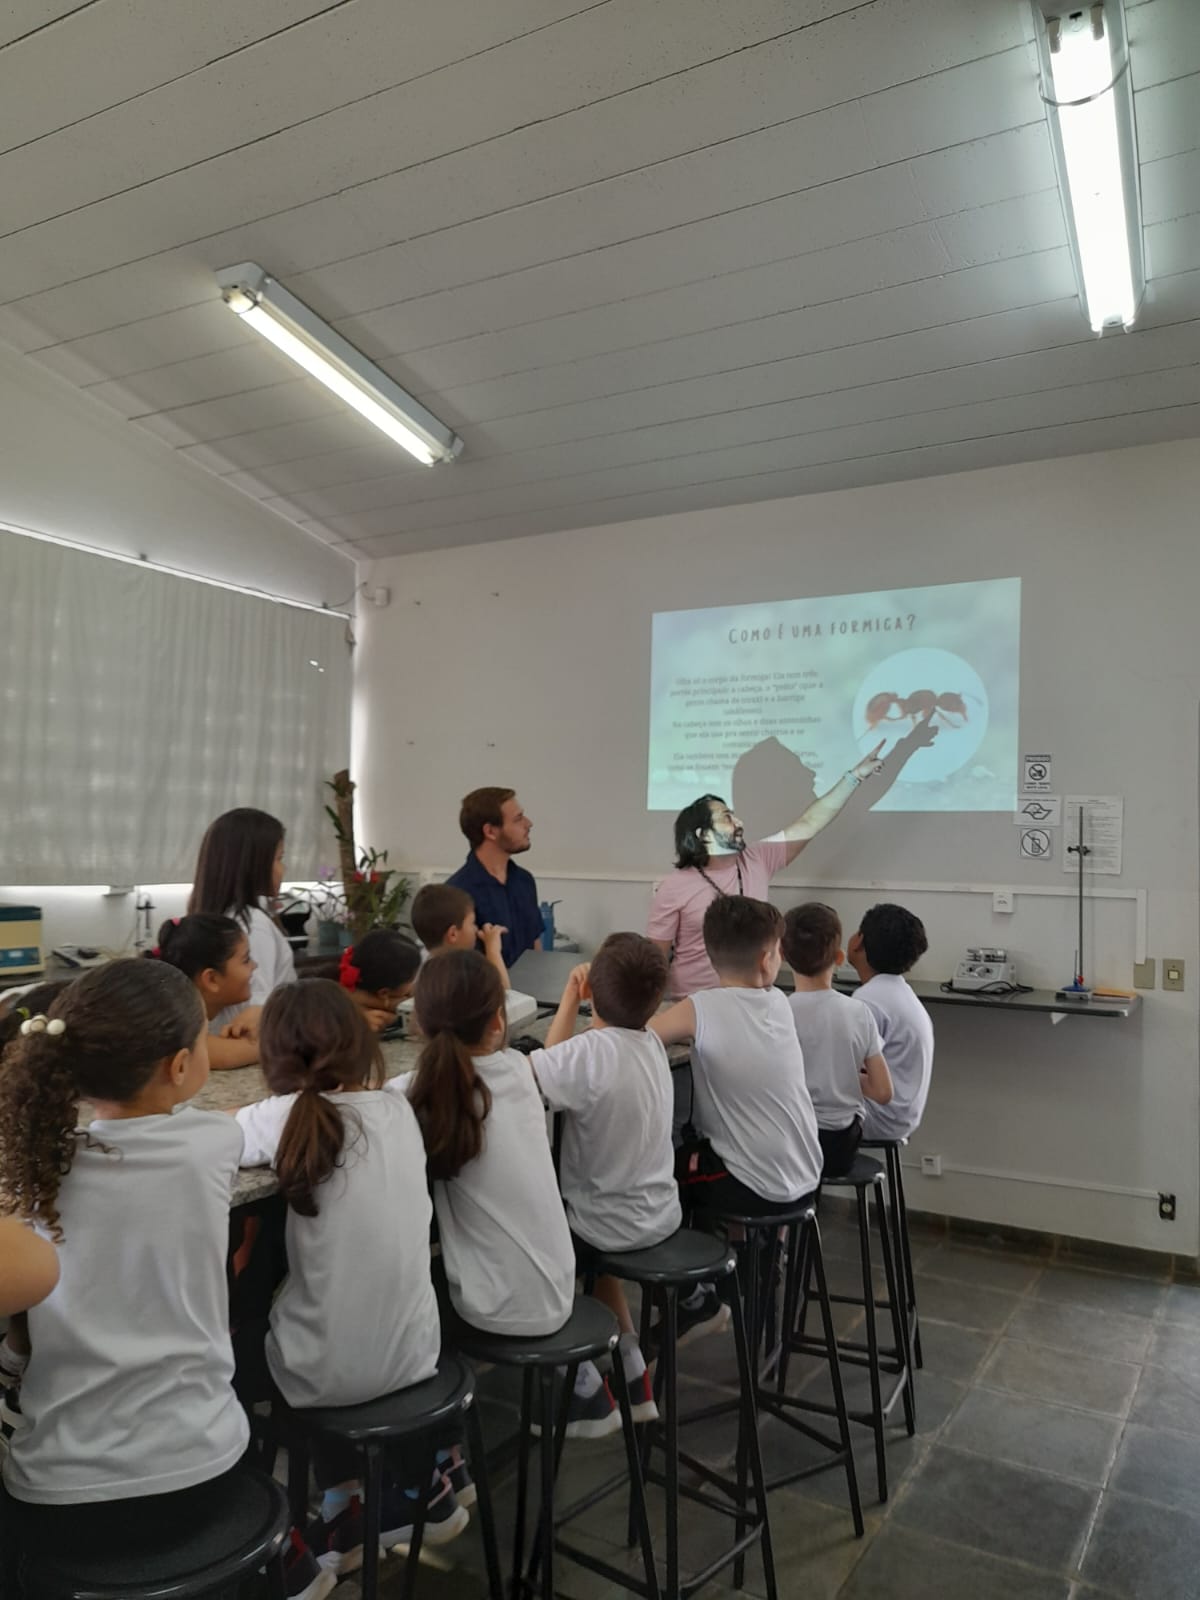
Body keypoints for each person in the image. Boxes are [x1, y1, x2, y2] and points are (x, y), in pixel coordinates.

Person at [0, 961, 328, 1599]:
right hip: (210, 1470)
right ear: (181, 1068)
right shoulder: (208, 1142)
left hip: (68, 1499)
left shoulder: (33, 1166)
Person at [236, 981, 461, 1570]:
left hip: (321, 1378)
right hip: (419, 1358)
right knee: (338, 1292)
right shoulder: (396, 1109)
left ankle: (266, 1540)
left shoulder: (282, 1116)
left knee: (238, 1332)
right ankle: (355, 1498)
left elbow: (224, 1140)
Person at [408, 952, 617, 1439]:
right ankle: (576, 1379)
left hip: (497, 1307)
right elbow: (553, 1056)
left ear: (418, 1022)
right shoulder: (523, 1072)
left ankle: (439, 1449)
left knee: (405, 1284)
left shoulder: (414, 1095)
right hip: (560, 1286)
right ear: (499, 1020)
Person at [530, 934, 678, 1423]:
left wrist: (571, 998)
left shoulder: (590, 1051)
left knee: (538, 1243)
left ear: (593, 990)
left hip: (603, 1224)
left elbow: (539, 1077)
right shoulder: (652, 1041)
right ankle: (632, 1368)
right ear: (656, 1000)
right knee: (599, 1238)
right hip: (657, 1215)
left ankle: (585, 1385)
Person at [647, 744, 911, 999]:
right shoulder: (674, 887)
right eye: (727, 817)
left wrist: (853, 778)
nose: (739, 822)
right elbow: (656, 957)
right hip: (692, 1004)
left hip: (753, 1000)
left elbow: (810, 822)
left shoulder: (759, 858)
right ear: (702, 834)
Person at [653, 896, 823, 1219]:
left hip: (752, 1187)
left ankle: (717, 1261)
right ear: (765, 960)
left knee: (668, 1165)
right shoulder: (779, 1003)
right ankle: (756, 1253)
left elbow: (642, 1034)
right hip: (807, 1177)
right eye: (778, 950)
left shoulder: (701, 1007)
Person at [781, 904, 892, 1178]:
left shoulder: (777, 1014)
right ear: (840, 957)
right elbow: (882, 1092)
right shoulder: (859, 1012)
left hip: (793, 1144)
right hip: (840, 1147)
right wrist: (845, 1074)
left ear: (782, 955)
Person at [189, 807, 296, 1028]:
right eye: (279, 858)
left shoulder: (221, 919)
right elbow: (257, 1012)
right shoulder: (251, 925)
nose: (283, 868)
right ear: (254, 864)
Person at [847, 904, 934, 1143]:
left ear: (859, 941)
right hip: (899, 1118)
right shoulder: (899, 992)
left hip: (876, 1118)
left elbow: (845, 1069)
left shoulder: (869, 1000)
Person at [410, 882, 538, 1029]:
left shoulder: (421, 969)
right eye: (472, 923)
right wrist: (493, 950)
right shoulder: (464, 971)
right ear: (453, 934)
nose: (476, 929)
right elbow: (504, 999)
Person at [445, 788, 542, 968]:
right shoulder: (456, 893)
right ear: (490, 831)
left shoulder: (525, 881)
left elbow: (535, 945)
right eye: (518, 819)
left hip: (528, 994)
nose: (528, 824)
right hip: (484, 994)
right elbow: (456, 967)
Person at [152, 913, 260, 1068]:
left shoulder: (235, 1005)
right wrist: (268, 1043)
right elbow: (221, 1055)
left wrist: (261, 1013)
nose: (254, 965)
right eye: (246, 960)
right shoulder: (173, 1017)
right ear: (211, 979)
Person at [318, 930, 423, 1032]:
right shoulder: (350, 1015)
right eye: (412, 979)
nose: (414, 984)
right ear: (384, 992)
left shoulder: (352, 989)